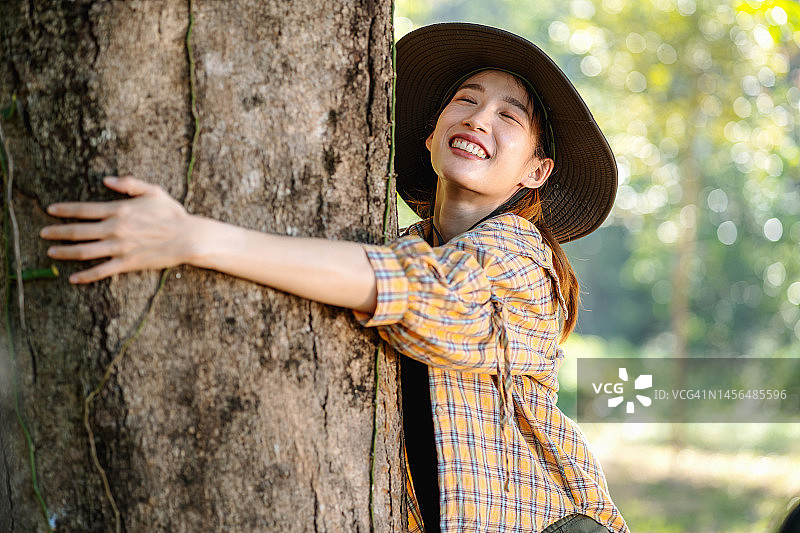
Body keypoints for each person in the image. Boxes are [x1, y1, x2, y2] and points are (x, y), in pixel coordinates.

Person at [40, 22, 627, 533]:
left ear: (536, 170)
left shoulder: (522, 257)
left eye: (508, 115)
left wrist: (193, 238)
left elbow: (412, 289)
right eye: (465, 101)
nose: (478, 118)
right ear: (430, 135)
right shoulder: (404, 243)